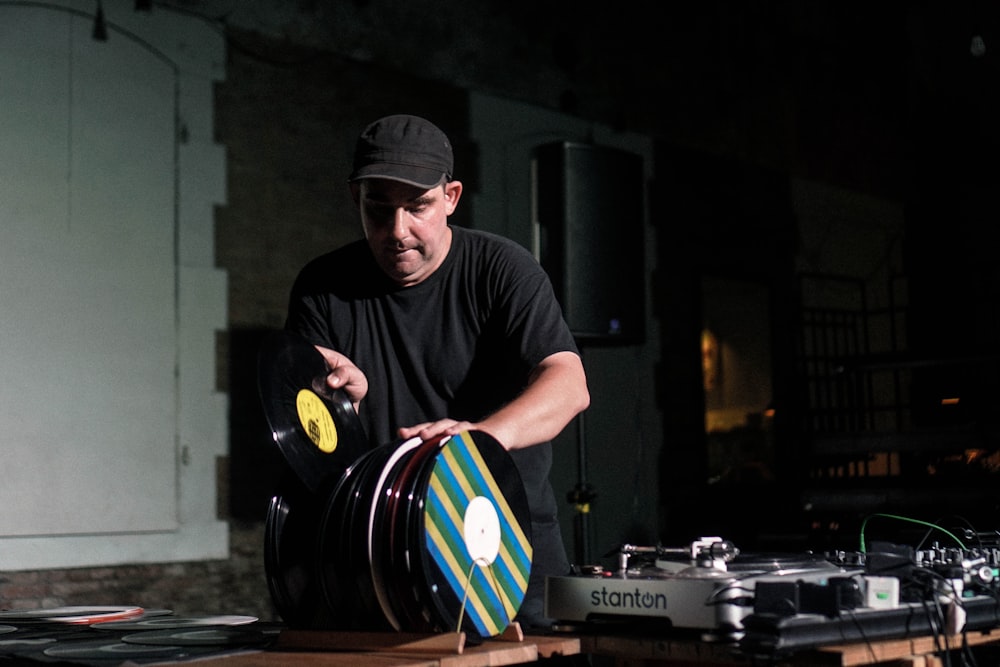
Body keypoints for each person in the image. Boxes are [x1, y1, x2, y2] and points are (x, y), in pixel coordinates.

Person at [284, 113, 590, 631]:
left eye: (417, 207)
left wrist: (477, 441)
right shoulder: (322, 286)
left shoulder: (502, 270)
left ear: (450, 197)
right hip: (383, 551)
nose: (397, 231)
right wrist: (344, 405)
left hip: (504, 542)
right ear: (353, 199)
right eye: (378, 210)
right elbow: (309, 443)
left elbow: (569, 384)